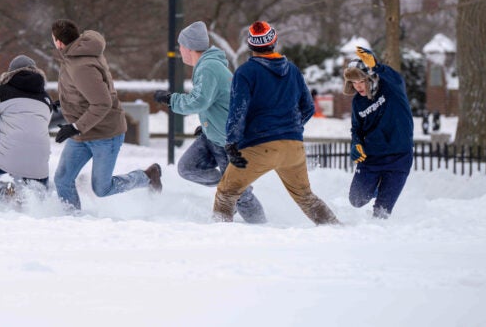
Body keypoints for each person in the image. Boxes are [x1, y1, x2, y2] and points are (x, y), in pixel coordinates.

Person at [213, 21, 339, 225]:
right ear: (274, 42)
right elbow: (308, 107)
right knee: (306, 198)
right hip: (293, 148)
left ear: (251, 46)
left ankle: (219, 237)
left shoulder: (245, 72)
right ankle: (338, 229)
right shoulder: (293, 70)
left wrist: (232, 142)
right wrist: (291, 129)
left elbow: (238, 110)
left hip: (258, 147)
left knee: (226, 193)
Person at [154, 21, 266, 223]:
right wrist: (207, 123)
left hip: (228, 141)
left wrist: (171, 100)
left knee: (239, 193)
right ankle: (229, 185)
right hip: (213, 134)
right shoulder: (207, 65)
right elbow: (214, 101)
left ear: (189, 47)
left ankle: (262, 226)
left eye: (181, 46)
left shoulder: (209, 67)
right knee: (188, 168)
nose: (179, 51)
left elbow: (198, 101)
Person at [51, 19, 162, 211]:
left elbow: (102, 102)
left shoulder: (81, 65)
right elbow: (86, 90)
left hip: (105, 134)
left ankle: (147, 177)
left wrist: (74, 127)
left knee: (102, 188)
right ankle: (71, 220)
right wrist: (65, 101)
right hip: (82, 132)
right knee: (62, 179)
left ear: (59, 42)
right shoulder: (76, 54)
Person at [0, 55, 54, 210]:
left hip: (10, 152)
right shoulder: (46, 99)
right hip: (40, 159)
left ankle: (4, 192)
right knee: (37, 195)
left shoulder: (1, 92)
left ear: (10, 73)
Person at [343, 46, 414, 218]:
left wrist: (376, 66)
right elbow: (356, 128)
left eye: (361, 81)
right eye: (354, 83)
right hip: (371, 158)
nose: (358, 86)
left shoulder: (391, 88)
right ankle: (376, 184)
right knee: (356, 199)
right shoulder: (358, 103)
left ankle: (377, 242)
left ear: (370, 78)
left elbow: (396, 78)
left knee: (381, 213)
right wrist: (356, 143)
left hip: (399, 158)